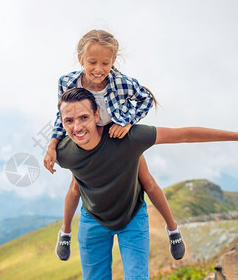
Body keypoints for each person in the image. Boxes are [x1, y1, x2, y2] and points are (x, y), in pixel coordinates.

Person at [55, 87, 238, 279]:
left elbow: (184, 134)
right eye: (69, 121)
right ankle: (64, 235)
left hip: (131, 217)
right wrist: (66, 232)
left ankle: (173, 229)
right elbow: (75, 187)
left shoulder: (128, 138)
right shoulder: (64, 152)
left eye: (84, 117)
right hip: (92, 220)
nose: (77, 127)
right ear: (62, 123)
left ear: (97, 115)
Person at [43, 29, 184, 261]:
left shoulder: (121, 82)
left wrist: (127, 122)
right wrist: (52, 143)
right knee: (76, 187)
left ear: (113, 62)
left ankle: (173, 229)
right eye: (92, 62)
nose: (98, 69)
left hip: (118, 138)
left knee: (147, 182)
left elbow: (146, 99)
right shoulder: (67, 82)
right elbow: (62, 115)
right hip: (86, 138)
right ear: (80, 59)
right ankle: (65, 232)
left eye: (105, 63)